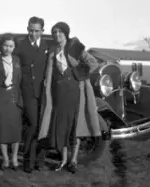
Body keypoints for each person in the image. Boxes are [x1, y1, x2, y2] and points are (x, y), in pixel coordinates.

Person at [38, 22, 102, 173]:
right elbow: (50, 70)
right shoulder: (52, 49)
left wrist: (77, 74)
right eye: (54, 32)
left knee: (75, 124)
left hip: (75, 90)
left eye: (60, 32)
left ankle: (73, 160)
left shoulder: (75, 47)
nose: (57, 34)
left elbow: (93, 63)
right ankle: (64, 159)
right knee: (62, 126)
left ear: (66, 33)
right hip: (59, 92)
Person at [14, 16, 49, 173]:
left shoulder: (48, 45)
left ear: (42, 30)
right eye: (31, 30)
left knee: (44, 125)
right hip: (28, 91)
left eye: (37, 31)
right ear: (27, 29)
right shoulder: (20, 45)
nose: (33, 34)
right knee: (33, 124)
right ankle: (28, 161)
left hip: (45, 91)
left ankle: (39, 160)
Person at [0, 33, 23, 171]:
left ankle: (14, 158)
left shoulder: (17, 59)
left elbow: (20, 81)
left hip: (14, 98)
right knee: (2, 130)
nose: (8, 48)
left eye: (11, 46)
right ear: (1, 46)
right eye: (6, 45)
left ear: (14, 47)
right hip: (0, 97)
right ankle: (5, 159)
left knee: (15, 130)